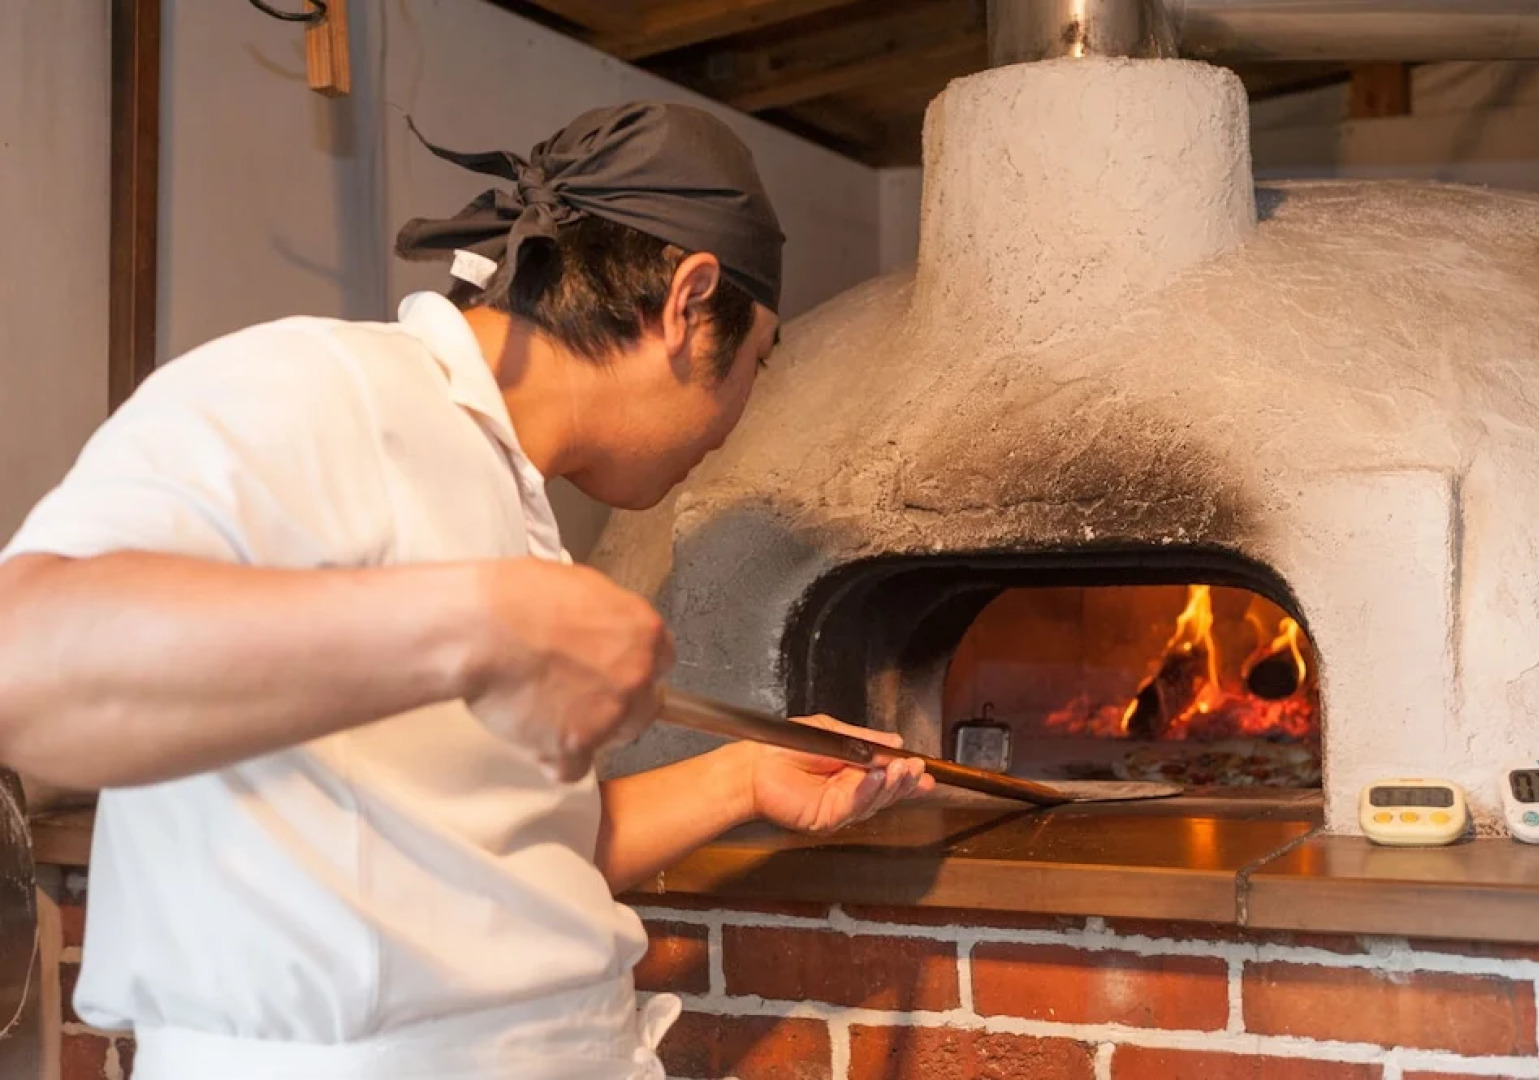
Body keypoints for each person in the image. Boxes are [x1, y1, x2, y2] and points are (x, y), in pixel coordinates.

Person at [0, 102, 933, 1080]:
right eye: (755, 363)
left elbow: (496, 857)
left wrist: (740, 775)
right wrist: (474, 622)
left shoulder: (509, 496)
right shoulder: (322, 390)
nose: (739, 413)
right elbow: (27, 660)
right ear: (685, 304)